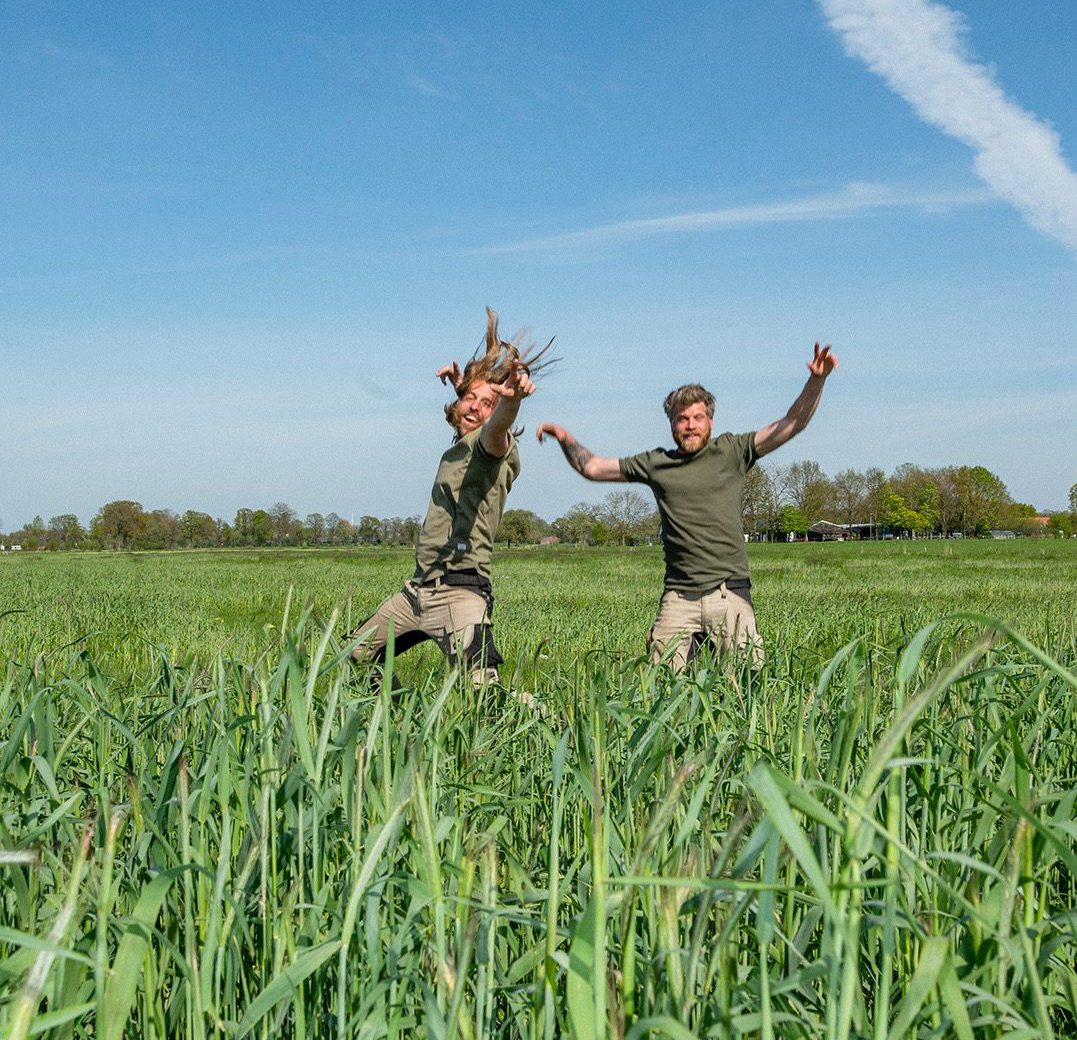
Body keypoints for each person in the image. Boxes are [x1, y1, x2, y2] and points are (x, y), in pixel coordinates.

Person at [537, 343, 838, 669]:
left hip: (729, 593)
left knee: (748, 685)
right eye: (683, 419)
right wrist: (566, 438)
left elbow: (793, 423)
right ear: (672, 424)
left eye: (698, 417)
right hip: (679, 596)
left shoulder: (733, 451)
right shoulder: (656, 463)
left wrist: (817, 381)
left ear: (710, 420)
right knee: (665, 686)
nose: (691, 425)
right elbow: (593, 468)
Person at [350, 308, 551, 686]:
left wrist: (509, 403)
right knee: (355, 655)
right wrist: (468, 390)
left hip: (462, 592)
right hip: (417, 592)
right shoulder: (457, 446)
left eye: (486, 403)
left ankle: (536, 719)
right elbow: (474, 412)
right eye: (470, 399)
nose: (476, 407)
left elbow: (495, 429)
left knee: (482, 697)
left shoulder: (495, 446)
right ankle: (401, 721)